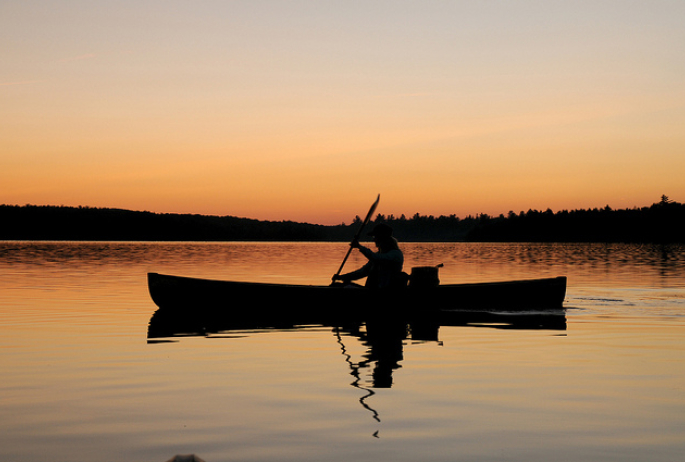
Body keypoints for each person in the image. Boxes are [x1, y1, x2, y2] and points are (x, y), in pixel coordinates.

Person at [332, 223, 405, 289]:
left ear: (382, 238)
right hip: (370, 289)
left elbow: (377, 259)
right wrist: (341, 277)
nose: (374, 239)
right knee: (337, 286)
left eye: (375, 236)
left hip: (384, 290)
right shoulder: (378, 255)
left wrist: (359, 247)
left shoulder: (395, 254)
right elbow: (362, 272)